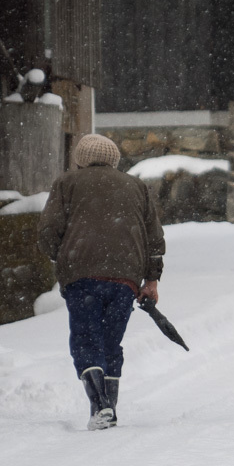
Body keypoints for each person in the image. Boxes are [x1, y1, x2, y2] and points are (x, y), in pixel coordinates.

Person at [38, 133, 167, 430]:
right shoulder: (136, 186)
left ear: (81, 159)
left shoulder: (66, 183)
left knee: (86, 339)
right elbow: (154, 238)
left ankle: (100, 407)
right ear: (114, 159)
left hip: (82, 277)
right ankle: (109, 407)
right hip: (126, 278)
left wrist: (64, 256)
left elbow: (47, 231)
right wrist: (151, 279)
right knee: (111, 341)